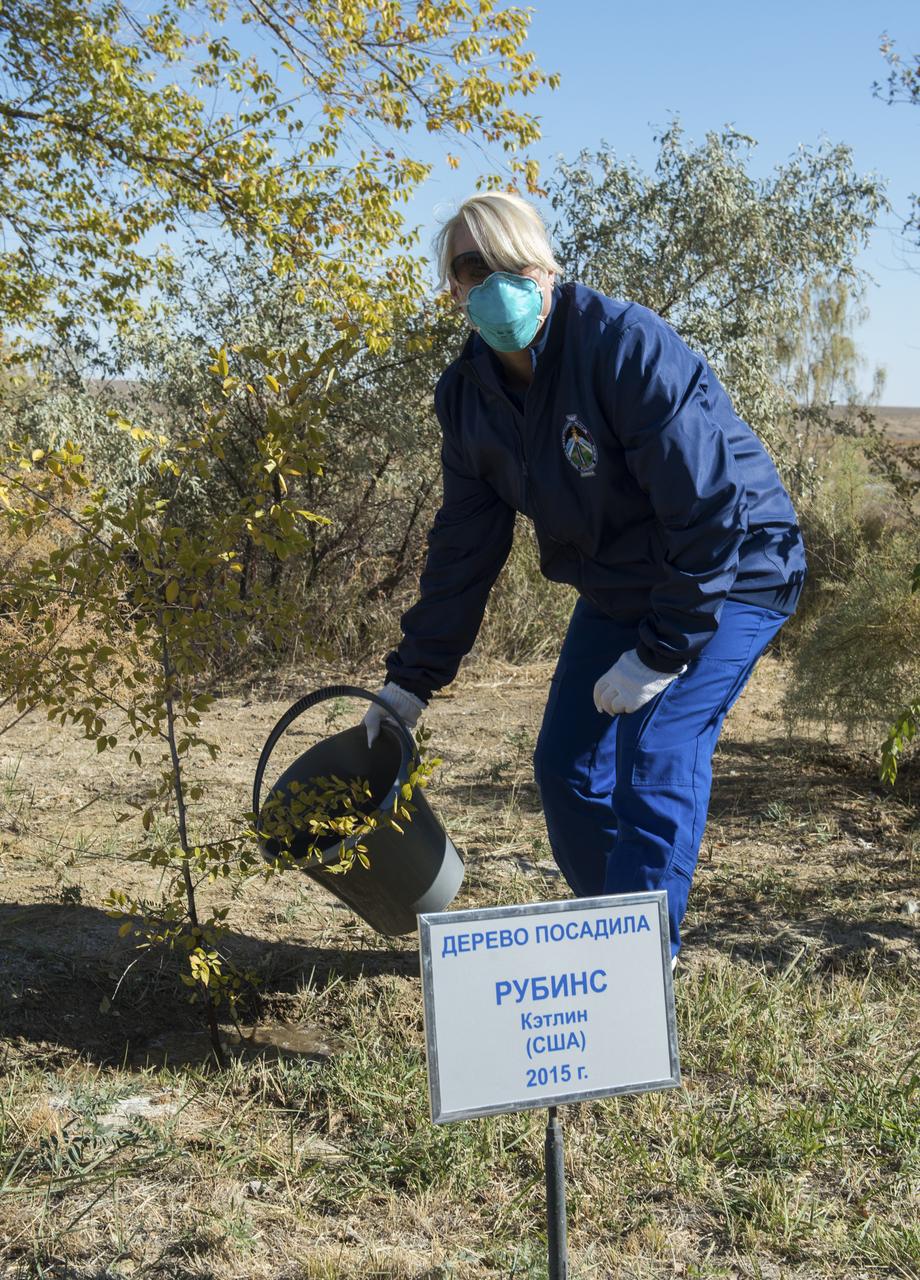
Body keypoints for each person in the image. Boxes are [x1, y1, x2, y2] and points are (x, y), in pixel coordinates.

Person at [362, 191, 806, 963]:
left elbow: (706, 511)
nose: (494, 280)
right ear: (452, 287)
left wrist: (664, 651)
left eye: (511, 262)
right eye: (472, 266)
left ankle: (640, 968)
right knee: (565, 767)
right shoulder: (469, 399)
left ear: (545, 266)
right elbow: (465, 549)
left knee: (658, 750)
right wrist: (412, 681)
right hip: (624, 583)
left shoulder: (624, 346)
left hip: (735, 565)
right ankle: (614, 939)